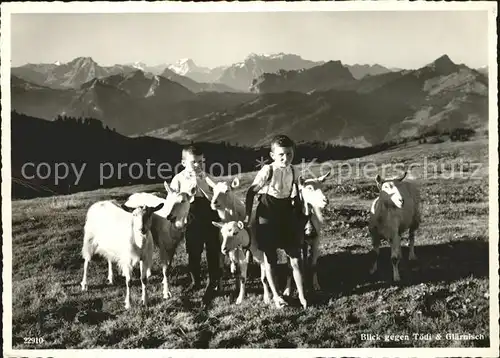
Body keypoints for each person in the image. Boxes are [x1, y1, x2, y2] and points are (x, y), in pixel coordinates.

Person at [244, 134, 308, 309]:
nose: (285, 158)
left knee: (295, 256)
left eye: (289, 154)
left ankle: (302, 296)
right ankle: (277, 296)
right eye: (281, 155)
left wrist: (302, 211)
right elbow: (251, 192)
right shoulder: (268, 170)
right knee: (270, 258)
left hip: (286, 212)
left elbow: (299, 192)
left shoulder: (295, 171)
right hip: (268, 213)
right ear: (272, 156)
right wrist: (248, 216)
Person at [170, 144, 221, 306]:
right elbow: (172, 198)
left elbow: (217, 196)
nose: (198, 165)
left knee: (213, 248)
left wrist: (202, 185)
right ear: (184, 163)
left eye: (200, 161)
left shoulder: (208, 177)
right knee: (193, 249)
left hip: (209, 214)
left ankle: (214, 280)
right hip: (191, 217)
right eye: (194, 162)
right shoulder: (178, 179)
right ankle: (195, 280)